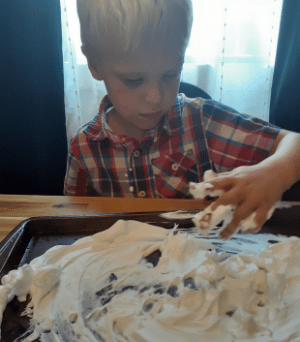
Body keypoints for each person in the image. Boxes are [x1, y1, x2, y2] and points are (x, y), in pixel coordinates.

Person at [64, 0, 300, 239]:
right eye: (133, 80)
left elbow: (295, 144)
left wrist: (275, 173)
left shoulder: (201, 123)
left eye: (170, 74)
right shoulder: (84, 148)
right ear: (94, 64)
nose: (155, 97)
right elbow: (69, 227)